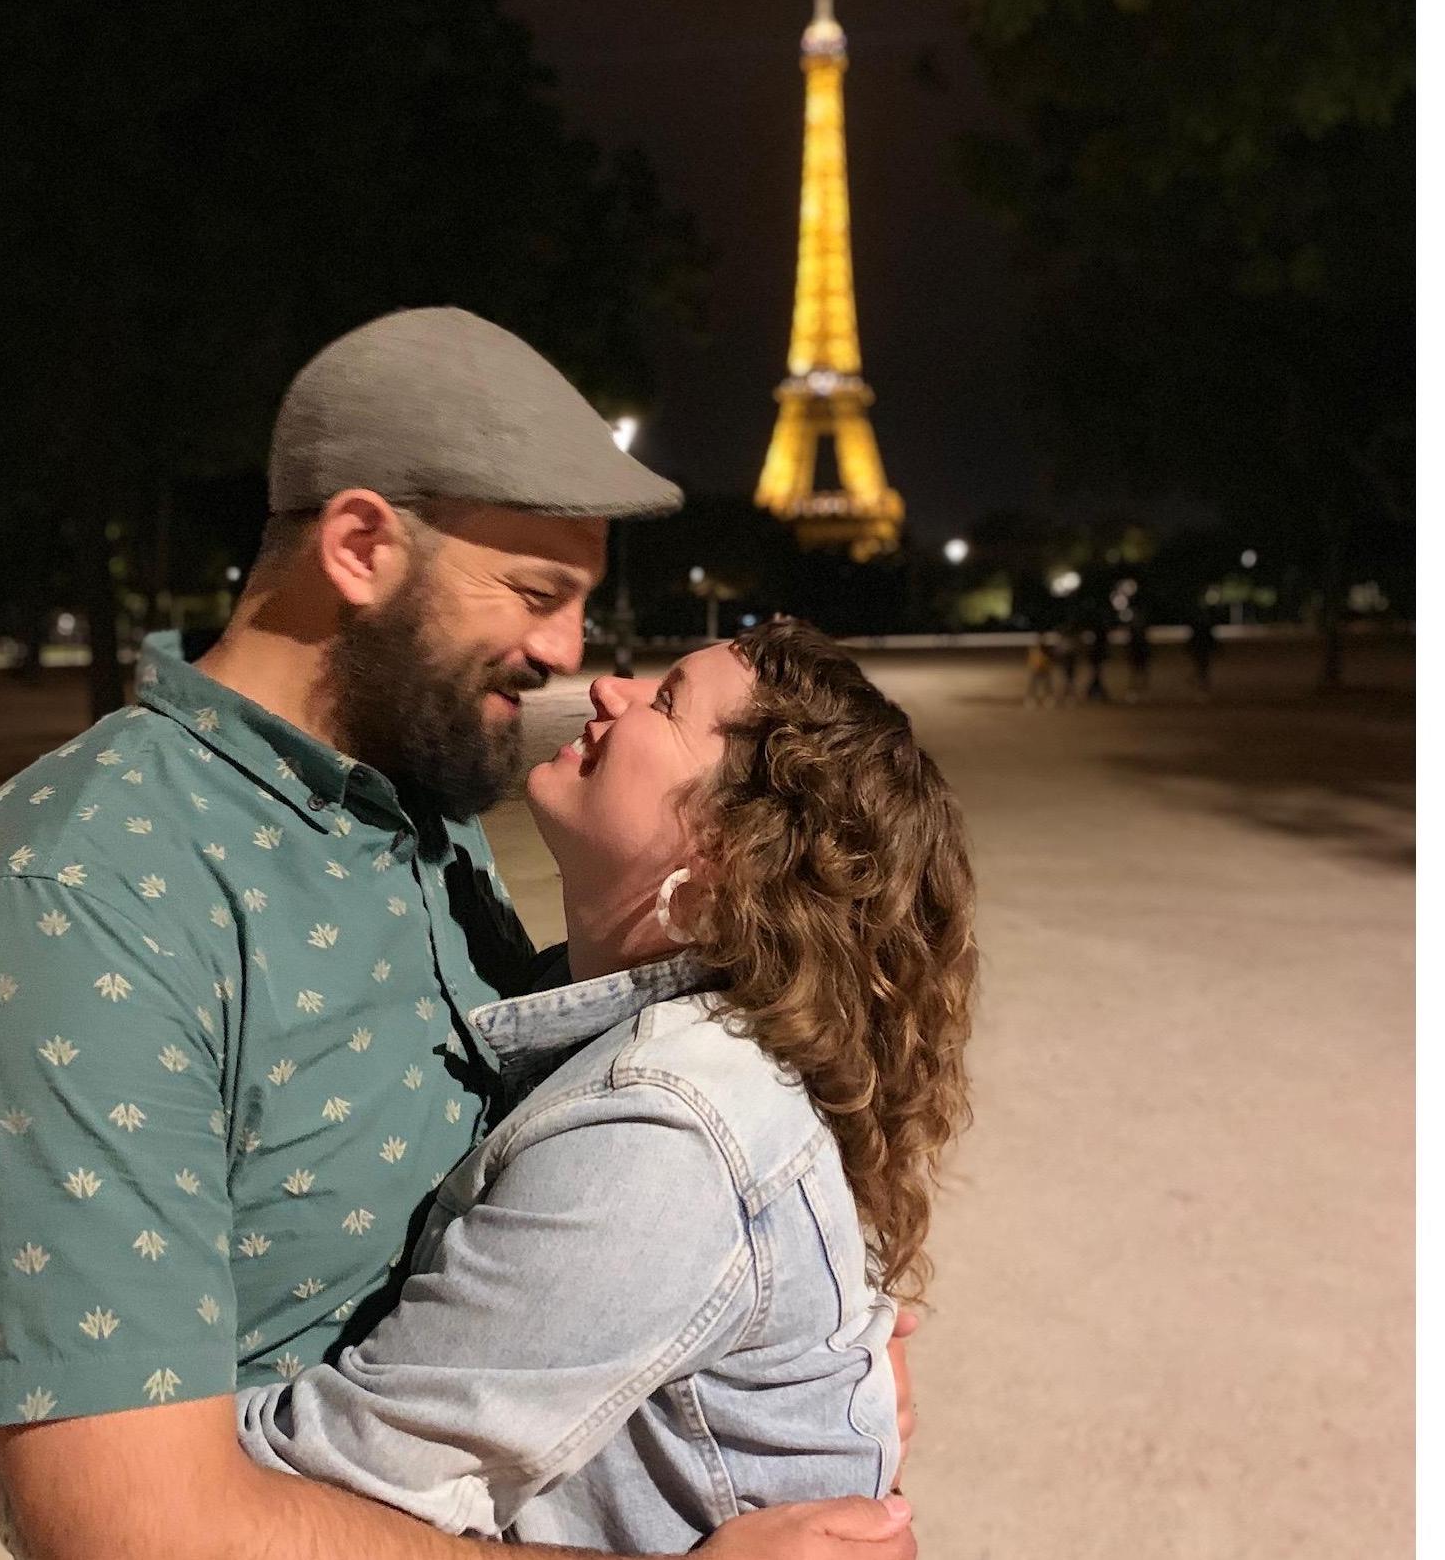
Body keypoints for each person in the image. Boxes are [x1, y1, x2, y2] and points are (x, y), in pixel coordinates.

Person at [0, 308, 917, 1560]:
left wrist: (807, 1325)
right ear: (363, 544)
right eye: (539, 594)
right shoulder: (87, 887)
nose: (566, 657)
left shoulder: (409, 807)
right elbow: (139, 1536)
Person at [234, 621, 977, 1547]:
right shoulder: (632, 1034)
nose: (607, 691)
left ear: (725, 853)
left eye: (665, 704)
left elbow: (350, 1485)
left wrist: (62, 1449)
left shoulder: (661, 1135)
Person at [1187, 614, 1218, 700]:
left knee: (1202, 669)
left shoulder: (1200, 629)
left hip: (1201, 652)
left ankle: (1202, 687)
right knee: (1202, 669)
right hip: (1201, 652)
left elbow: (1211, 641)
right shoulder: (1201, 629)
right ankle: (1202, 686)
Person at [1023, 632, 1055, 706]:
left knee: (1047, 685)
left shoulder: (1047, 650)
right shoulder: (1034, 649)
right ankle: (1031, 699)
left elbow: (1050, 660)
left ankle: (1048, 699)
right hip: (1035, 669)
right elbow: (1031, 660)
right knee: (1032, 685)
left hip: (1045, 669)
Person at [1083, 622, 1112, 703]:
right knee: (1096, 677)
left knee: (1097, 677)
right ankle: (1093, 693)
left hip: (1096, 660)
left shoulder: (1097, 643)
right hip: (1096, 660)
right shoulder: (1098, 643)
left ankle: (1092, 693)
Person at [1125, 618, 1152, 703]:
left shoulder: (1142, 635)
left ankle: (1144, 692)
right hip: (1136, 654)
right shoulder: (1133, 635)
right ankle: (1134, 692)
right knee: (1135, 674)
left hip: (1141, 654)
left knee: (1143, 673)